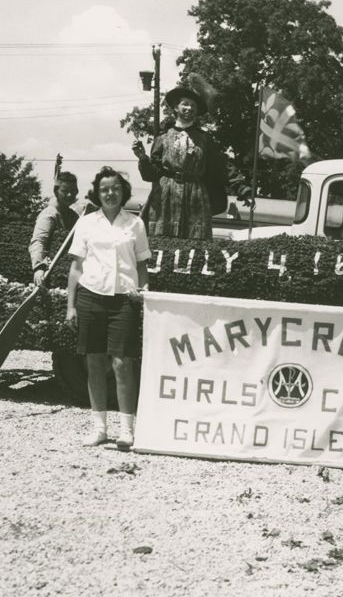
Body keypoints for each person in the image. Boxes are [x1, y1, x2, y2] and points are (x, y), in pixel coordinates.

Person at [65, 167, 151, 450]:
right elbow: (76, 267)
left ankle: (127, 430)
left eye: (115, 188)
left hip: (124, 300)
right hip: (91, 298)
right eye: (104, 189)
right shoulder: (87, 223)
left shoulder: (135, 224)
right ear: (97, 193)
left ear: (123, 192)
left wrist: (143, 290)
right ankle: (99, 428)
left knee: (122, 364)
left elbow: (141, 265)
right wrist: (71, 307)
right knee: (95, 364)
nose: (110, 193)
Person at [133, 78, 228, 240]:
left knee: (195, 243)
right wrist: (143, 157)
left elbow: (221, 166)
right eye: (185, 104)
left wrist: (242, 187)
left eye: (193, 105)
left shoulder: (205, 139)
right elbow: (152, 174)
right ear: (176, 108)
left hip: (195, 196)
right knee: (162, 241)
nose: (189, 108)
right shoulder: (162, 138)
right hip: (165, 196)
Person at [30, 170, 95, 286]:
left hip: (71, 275)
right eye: (65, 191)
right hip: (51, 275)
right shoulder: (49, 214)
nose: (70, 195)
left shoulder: (73, 215)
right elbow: (38, 241)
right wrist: (38, 267)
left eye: (73, 191)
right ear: (56, 191)